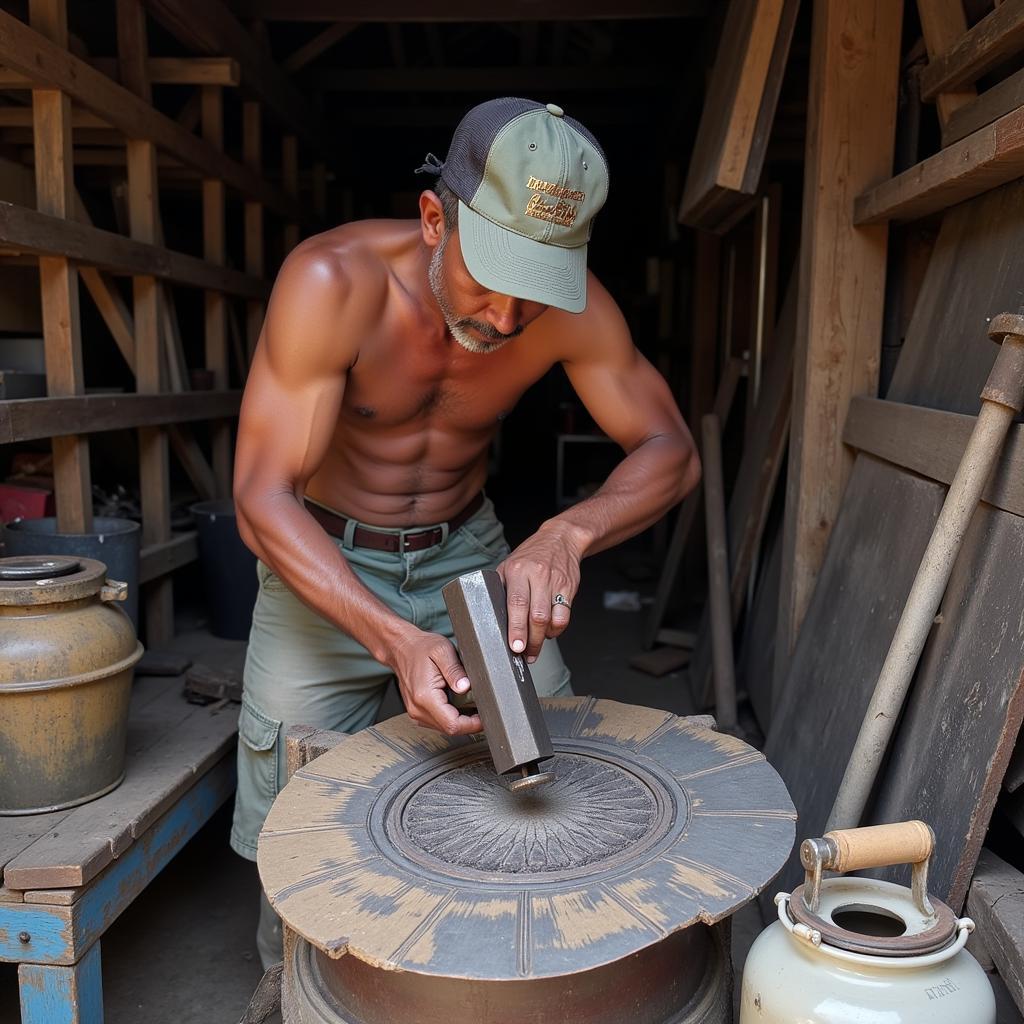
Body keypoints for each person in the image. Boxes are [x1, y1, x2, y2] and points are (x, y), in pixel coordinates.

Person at [230, 97, 700, 967]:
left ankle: (515, 974)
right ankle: (293, 992)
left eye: (538, 288)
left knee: (546, 775)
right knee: (289, 820)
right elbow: (262, 496)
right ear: (435, 217)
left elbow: (671, 449)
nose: (511, 318)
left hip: (466, 549)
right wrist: (393, 637)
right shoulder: (333, 282)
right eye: (493, 276)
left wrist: (568, 531)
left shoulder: (573, 309)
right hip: (323, 556)